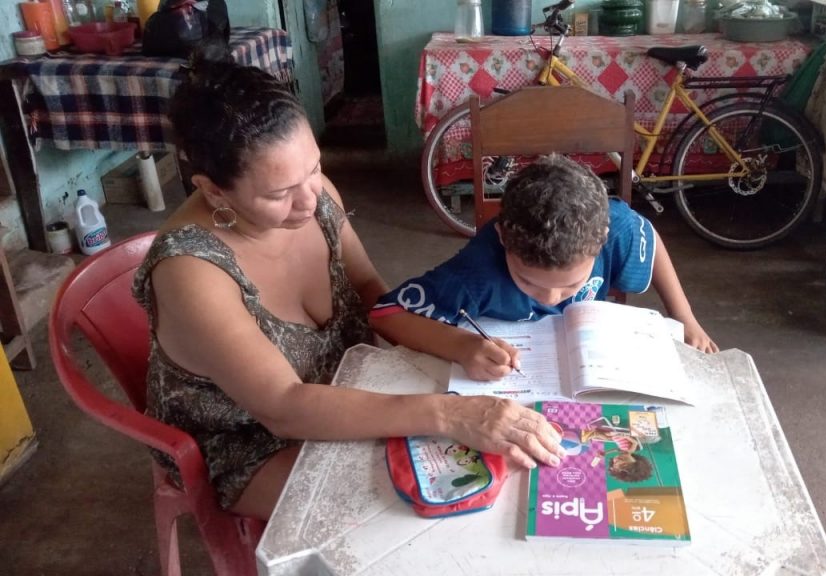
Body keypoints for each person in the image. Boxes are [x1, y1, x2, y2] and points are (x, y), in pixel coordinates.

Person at [131, 45, 564, 521]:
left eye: (313, 168)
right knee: (407, 510)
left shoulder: (314, 197)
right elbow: (284, 407)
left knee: (491, 475)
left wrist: (455, 343)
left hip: (347, 383)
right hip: (249, 439)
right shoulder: (190, 273)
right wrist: (450, 413)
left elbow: (367, 289)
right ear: (212, 189)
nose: (309, 200)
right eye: (279, 193)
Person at [370, 154, 718, 381]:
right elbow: (384, 315)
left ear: (602, 243)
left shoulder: (616, 227)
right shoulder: (475, 274)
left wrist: (684, 316)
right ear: (503, 238)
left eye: (571, 286)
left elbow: (648, 235)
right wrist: (462, 346)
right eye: (527, 280)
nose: (552, 298)